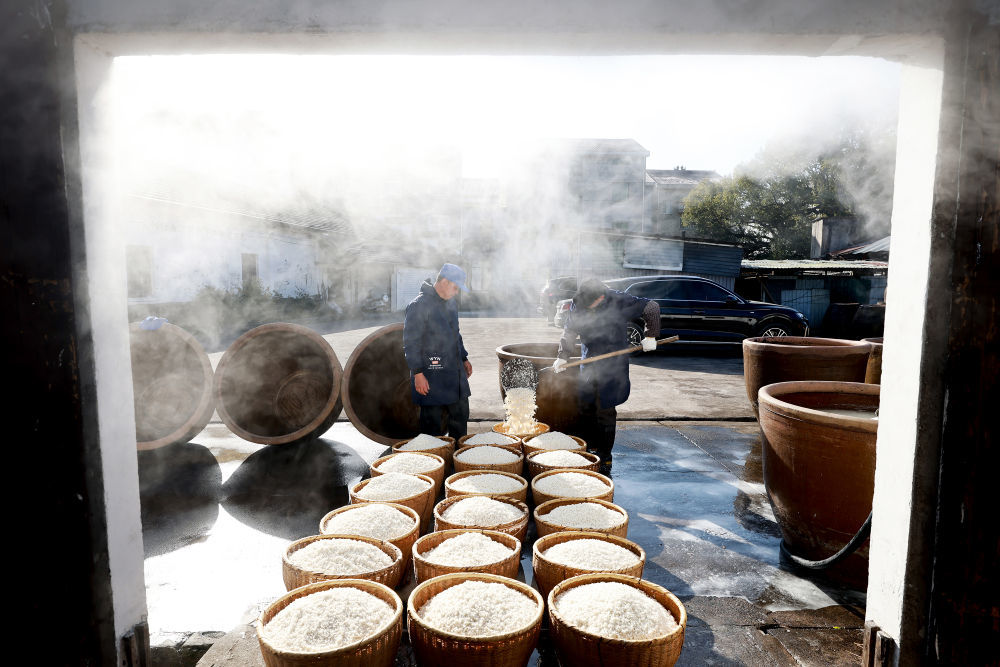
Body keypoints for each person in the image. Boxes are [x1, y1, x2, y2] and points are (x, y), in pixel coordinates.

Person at [553, 278, 660, 472]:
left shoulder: (618, 300)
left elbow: (651, 307)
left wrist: (651, 335)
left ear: (602, 297)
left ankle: (605, 457)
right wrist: (562, 356)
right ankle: (588, 449)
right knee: (585, 407)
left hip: (613, 367)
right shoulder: (579, 303)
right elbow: (569, 331)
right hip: (589, 363)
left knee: (605, 411)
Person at [403, 263, 474, 438]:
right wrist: (417, 373)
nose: (456, 292)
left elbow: (456, 334)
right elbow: (411, 343)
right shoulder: (419, 305)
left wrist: (464, 358)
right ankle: (436, 461)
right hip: (431, 374)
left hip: (454, 372)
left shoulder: (451, 304)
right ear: (444, 281)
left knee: (460, 417)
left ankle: (459, 458)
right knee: (431, 426)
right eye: (455, 287)